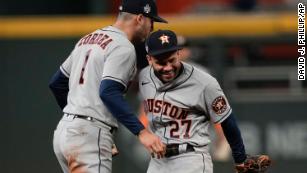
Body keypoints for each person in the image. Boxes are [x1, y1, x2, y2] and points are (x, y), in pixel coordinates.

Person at [48, 0, 167, 172]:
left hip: (64, 132)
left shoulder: (87, 40)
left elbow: (56, 83)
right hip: (87, 135)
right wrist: (142, 132)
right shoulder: (123, 46)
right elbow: (109, 92)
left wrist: (77, 116)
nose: (153, 27)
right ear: (140, 18)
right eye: (151, 21)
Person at [138, 30, 269, 173]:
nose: (168, 67)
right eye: (162, 62)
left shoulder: (204, 81)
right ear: (149, 59)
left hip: (191, 159)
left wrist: (240, 158)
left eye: (171, 60)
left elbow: (226, 119)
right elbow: (137, 107)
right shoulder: (145, 77)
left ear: (178, 53)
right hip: (158, 161)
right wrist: (141, 132)